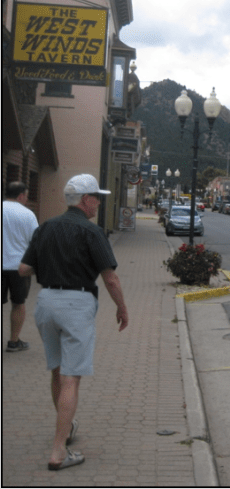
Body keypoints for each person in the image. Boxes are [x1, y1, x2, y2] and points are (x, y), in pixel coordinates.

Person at [19, 174, 129, 471]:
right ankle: (58, 452)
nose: (99, 203)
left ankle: (65, 427)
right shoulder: (92, 232)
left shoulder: (45, 227)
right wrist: (122, 308)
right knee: (71, 378)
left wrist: (51, 266)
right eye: (97, 198)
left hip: (46, 302)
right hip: (76, 304)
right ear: (85, 199)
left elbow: (24, 269)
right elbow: (110, 278)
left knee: (57, 371)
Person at [3, 181, 39, 352]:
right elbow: (36, 242)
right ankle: (13, 341)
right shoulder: (28, 215)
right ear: (20, 196)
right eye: (26, 196)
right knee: (18, 303)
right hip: (19, 267)